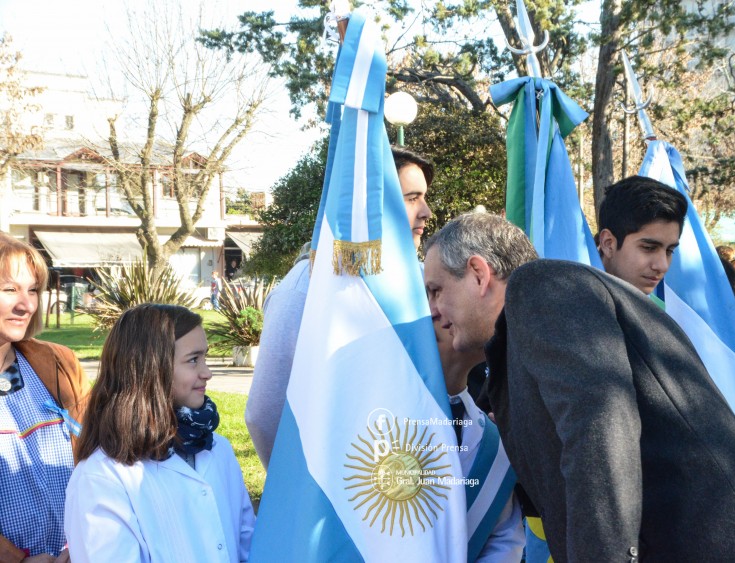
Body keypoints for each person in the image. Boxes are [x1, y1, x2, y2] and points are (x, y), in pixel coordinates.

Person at [424, 213, 735, 561]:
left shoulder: (542, 287)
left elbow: (600, 430)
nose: (434, 310)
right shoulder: (514, 354)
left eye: (436, 290)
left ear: (479, 273)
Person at [246, 145, 435, 468]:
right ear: (370, 202)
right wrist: (300, 486)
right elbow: (265, 413)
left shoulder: (422, 280)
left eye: (424, 197)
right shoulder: (304, 288)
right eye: (411, 197)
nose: (426, 211)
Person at [64, 304, 255, 562]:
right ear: (152, 369)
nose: (207, 372)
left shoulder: (217, 450)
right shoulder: (102, 477)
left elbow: (249, 545)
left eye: (205, 358)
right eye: (193, 360)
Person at [0, 233, 87, 563]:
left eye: (33, 289)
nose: (26, 304)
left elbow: (100, 454)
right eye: (10, 290)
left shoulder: (58, 364)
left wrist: (86, 540)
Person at [430, 299, 525, 561]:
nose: (436, 308)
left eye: (438, 292)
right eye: (429, 293)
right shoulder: (378, 420)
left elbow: (504, 540)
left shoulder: (492, 442)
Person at [596, 175, 688, 296]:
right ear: (608, 244)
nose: (663, 266)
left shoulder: (659, 311)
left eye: (669, 251)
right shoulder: (569, 303)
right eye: (649, 248)